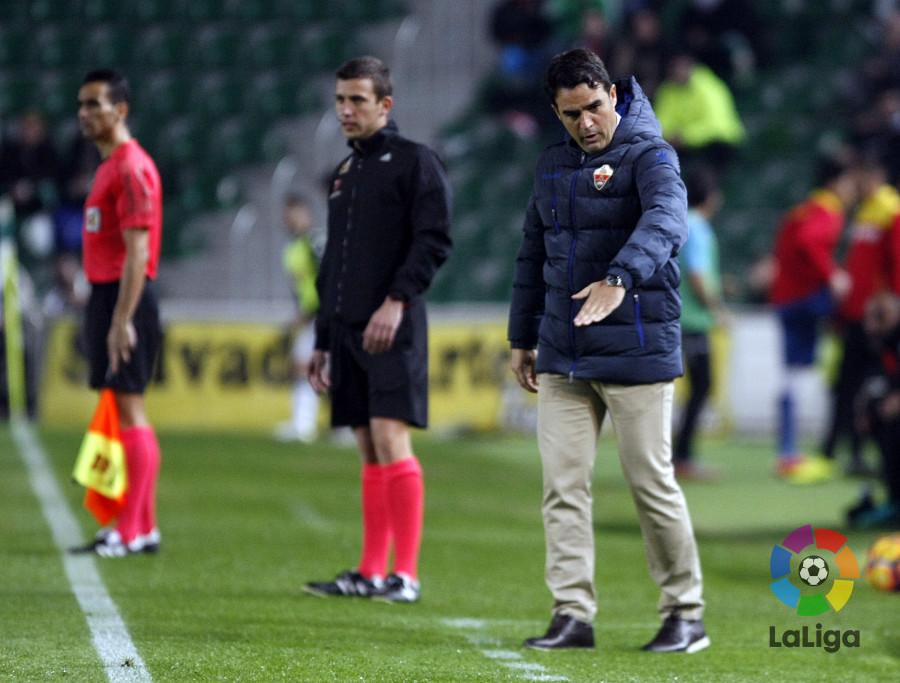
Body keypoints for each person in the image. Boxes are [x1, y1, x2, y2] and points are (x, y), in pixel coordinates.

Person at [508, 48, 708, 653]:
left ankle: (685, 613)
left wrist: (619, 278)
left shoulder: (652, 155)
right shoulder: (550, 167)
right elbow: (531, 256)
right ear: (556, 112)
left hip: (637, 347)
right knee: (562, 487)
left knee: (651, 484)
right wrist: (523, 335)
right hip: (564, 351)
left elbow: (669, 220)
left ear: (613, 96)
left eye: (594, 107)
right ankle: (573, 613)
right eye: (572, 114)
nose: (586, 123)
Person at [302, 57, 453, 604]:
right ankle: (370, 571)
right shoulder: (346, 174)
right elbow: (334, 265)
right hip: (346, 332)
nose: (345, 110)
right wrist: (322, 338)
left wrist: (396, 299)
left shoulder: (416, 163)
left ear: (384, 105)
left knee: (391, 438)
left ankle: (404, 575)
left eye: (357, 100)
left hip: (394, 325)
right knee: (366, 446)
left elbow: (434, 240)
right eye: (340, 99)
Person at [69, 69, 163, 557]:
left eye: (94, 105)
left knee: (131, 410)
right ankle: (140, 527)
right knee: (124, 407)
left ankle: (128, 530)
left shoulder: (129, 168)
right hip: (108, 296)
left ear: (120, 110)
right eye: (82, 105)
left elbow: (137, 251)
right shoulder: (109, 166)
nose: (85, 114)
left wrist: (122, 318)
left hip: (125, 298)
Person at [795, 156, 900, 483]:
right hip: (859, 316)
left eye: (861, 175)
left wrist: (889, 310)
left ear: (876, 174)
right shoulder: (867, 211)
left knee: (861, 389)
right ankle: (848, 457)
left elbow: (894, 266)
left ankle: (837, 456)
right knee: (851, 388)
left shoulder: (889, 210)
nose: (855, 183)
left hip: (877, 320)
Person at [769, 154, 858, 477]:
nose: (853, 190)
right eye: (849, 183)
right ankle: (798, 449)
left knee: (793, 371)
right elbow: (810, 242)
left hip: (786, 298)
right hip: (807, 298)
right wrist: (832, 275)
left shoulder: (802, 209)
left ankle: (788, 449)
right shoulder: (827, 210)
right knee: (848, 353)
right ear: (835, 183)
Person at [674, 166, 727, 480]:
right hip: (691, 320)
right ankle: (681, 457)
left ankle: (678, 455)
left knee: (697, 387)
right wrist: (718, 309)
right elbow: (696, 274)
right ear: (711, 196)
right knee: (702, 386)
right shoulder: (699, 227)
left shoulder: (685, 223)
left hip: (683, 317)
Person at [847, 290, 900, 528]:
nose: (868, 327)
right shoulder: (883, 343)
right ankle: (894, 498)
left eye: (873, 319)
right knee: (879, 417)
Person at [652, 50, 746, 179]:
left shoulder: (708, 86)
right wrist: (670, 136)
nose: (679, 71)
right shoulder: (668, 91)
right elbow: (661, 121)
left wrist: (685, 136)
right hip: (687, 144)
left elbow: (716, 125)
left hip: (719, 142)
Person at [274, 193, 321, 444]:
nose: (290, 218)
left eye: (296, 212)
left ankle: (305, 425)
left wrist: (311, 312)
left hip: (321, 316)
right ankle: (304, 423)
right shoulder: (294, 248)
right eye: (287, 213)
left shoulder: (315, 244)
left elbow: (327, 280)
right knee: (306, 368)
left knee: (307, 368)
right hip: (310, 316)